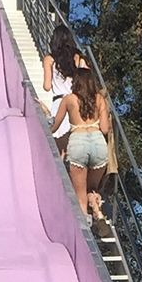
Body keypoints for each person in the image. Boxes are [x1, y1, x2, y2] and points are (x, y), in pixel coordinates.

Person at [50, 65, 111, 220]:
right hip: (98, 143)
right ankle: (97, 210)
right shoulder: (100, 99)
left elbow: (55, 126)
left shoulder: (68, 99)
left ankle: (86, 218)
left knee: (80, 195)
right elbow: (105, 129)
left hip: (78, 142)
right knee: (92, 187)